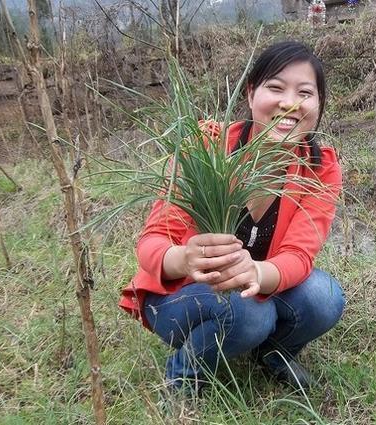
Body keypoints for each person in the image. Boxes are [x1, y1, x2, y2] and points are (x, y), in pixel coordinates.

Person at [118, 41, 345, 393]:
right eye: (275, 87)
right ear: (252, 92)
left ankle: (274, 354)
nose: (290, 103)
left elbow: (300, 255)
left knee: (324, 296)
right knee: (252, 314)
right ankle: (183, 376)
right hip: (182, 295)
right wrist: (185, 259)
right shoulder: (205, 148)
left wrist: (256, 272)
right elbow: (151, 245)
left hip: (254, 288)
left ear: (318, 105)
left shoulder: (319, 167)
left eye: (305, 92)